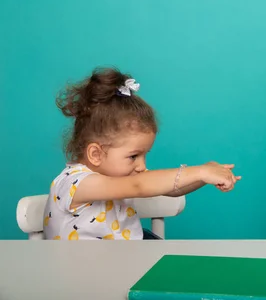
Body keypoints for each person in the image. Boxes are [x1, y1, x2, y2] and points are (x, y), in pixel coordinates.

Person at [43, 67, 241, 240]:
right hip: (84, 275)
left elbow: (173, 189)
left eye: (144, 155)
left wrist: (206, 176)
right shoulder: (76, 183)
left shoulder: (122, 175)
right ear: (95, 154)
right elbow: (139, 186)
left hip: (123, 263)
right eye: (133, 156)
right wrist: (199, 172)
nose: (142, 166)